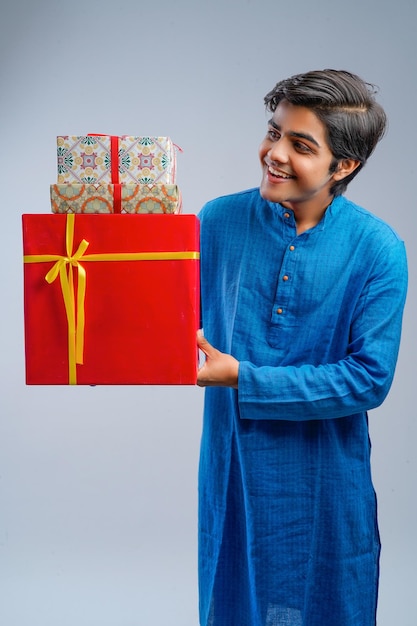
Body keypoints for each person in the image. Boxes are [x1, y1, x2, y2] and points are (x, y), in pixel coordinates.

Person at [196, 69, 408, 626]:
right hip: (234, 470)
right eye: (274, 132)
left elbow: (368, 379)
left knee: (325, 602)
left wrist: (246, 377)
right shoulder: (216, 223)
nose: (275, 154)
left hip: (324, 481)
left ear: (345, 166)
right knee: (233, 599)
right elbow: (160, 323)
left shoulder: (377, 249)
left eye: (301, 145)